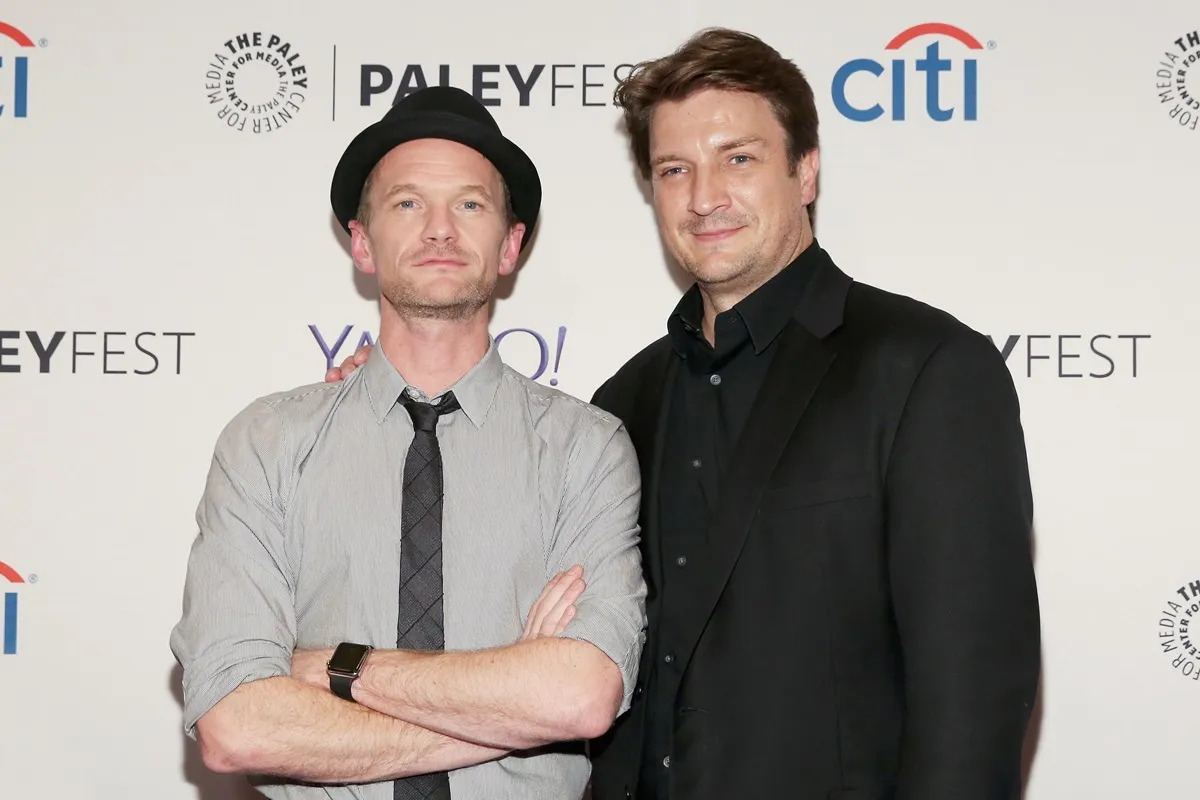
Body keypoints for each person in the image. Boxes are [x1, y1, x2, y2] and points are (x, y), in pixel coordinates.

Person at [326, 28, 1041, 800]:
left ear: (805, 171)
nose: (705, 198)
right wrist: (390, 398)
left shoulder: (924, 370)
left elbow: (974, 699)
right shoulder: (621, 405)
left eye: (739, 158)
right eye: (675, 169)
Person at [170, 85, 648, 800]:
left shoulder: (586, 449)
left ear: (510, 245)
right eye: (407, 203)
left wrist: (337, 669)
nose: (439, 228)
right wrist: (511, 702)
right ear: (361, 243)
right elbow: (238, 727)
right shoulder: (268, 445)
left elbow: (580, 698)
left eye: (471, 204)